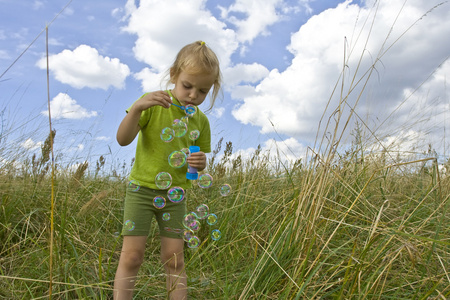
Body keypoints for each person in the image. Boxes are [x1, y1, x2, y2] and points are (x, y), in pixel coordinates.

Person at [113, 41, 222, 300]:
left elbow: (196, 162)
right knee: (132, 256)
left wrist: (200, 164)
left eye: (203, 90)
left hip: (176, 196)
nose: (193, 95)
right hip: (141, 190)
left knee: (174, 261)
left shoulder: (200, 120)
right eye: (187, 85)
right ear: (173, 75)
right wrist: (138, 107)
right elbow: (122, 139)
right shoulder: (151, 103)